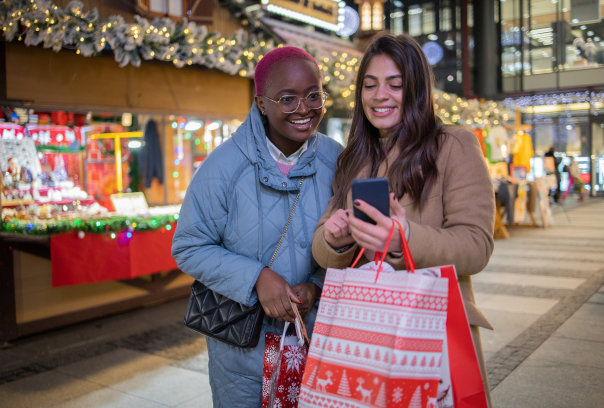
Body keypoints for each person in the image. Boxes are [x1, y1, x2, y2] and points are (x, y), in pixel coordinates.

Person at [311, 33, 495, 405]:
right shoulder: (355, 157)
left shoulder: (454, 146)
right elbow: (323, 248)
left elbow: (477, 245)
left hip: (434, 331)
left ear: (417, 90)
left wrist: (404, 238)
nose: (380, 96)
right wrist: (335, 236)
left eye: (395, 85)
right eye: (370, 85)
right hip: (366, 330)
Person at [171, 46, 343, 407]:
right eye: (287, 98)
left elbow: (352, 244)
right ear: (262, 103)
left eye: (314, 95)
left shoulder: (337, 161)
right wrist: (256, 278)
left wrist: (316, 285)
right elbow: (188, 246)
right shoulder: (223, 166)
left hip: (318, 337)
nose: (304, 109)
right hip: (240, 348)